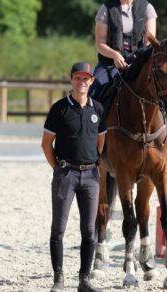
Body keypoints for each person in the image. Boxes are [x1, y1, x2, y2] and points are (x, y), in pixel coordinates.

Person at [90, 0, 167, 161]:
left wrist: (137, 60)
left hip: (139, 63)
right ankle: (90, 141)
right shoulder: (106, 8)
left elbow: (150, 41)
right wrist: (115, 55)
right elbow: (100, 43)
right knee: (94, 90)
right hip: (110, 62)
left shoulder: (147, 8)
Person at [41, 62, 105, 292]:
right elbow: (46, 144)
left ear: (91, 82)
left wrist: (90, 162)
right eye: (78, 78)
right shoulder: (59, 109)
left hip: (90, 176)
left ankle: (84, 279)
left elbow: (100, 141)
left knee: (89, 230)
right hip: (66, 174)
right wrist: (58, 168)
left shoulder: (97, 109)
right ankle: (59, 279)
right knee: (58, 228)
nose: (82, 82)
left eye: (86, 79)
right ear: (71, 80)